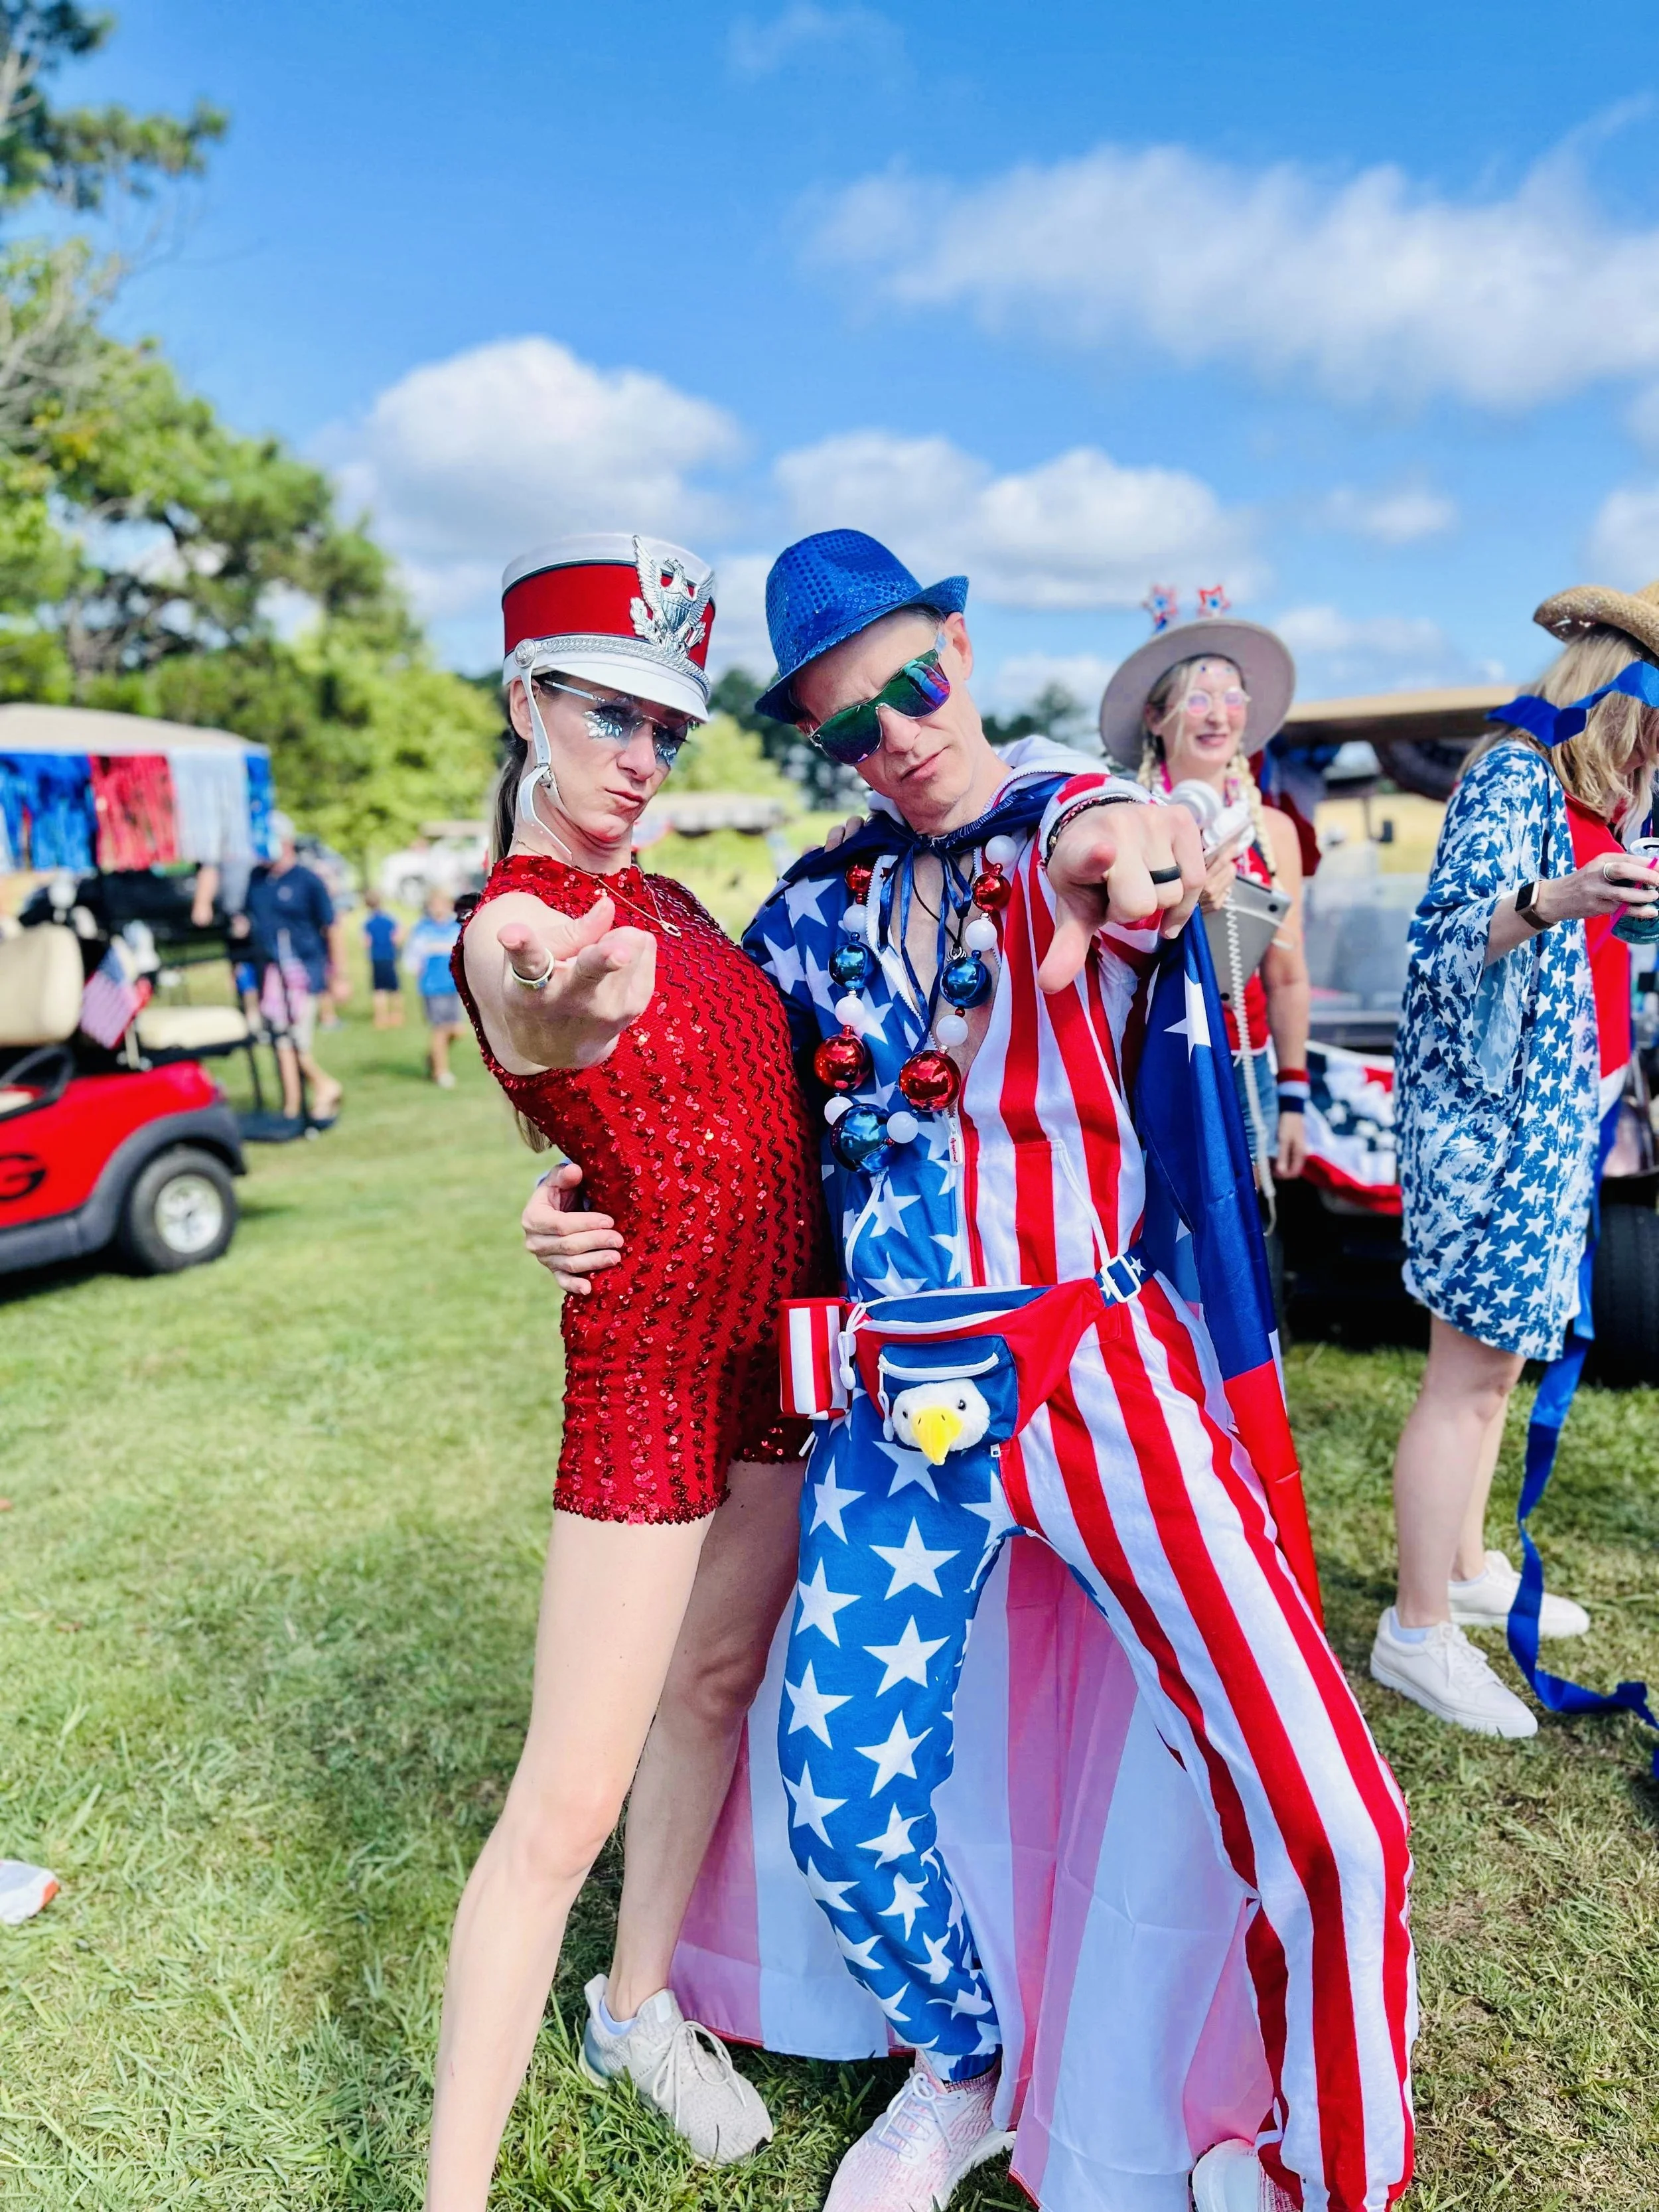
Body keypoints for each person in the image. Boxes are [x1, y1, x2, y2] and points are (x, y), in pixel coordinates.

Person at [531, 532, 1415, 2212]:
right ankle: (961, 2056)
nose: (897, 737)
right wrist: (570, 1178)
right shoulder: (816, 907)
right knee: (840, 1791)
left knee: (1322, 1797)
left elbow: (1127, 837)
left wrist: (1143, 841)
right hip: (892, 1407)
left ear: (960, 640)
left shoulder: (1062, 821)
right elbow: (688, 1085)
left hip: (1099, 1369)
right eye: (848, 725)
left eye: (915, 684)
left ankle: (1328, 2170)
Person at [425, 534, 835, 2210]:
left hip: (782, 1350)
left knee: (713, 1687)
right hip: (653, 1362)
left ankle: (634, 2005)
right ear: (525, 697)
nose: (641, 758)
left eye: (665, 728)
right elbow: (532, 1002)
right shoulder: (519, 918)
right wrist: (558, 1008)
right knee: (565, 1800)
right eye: (610, 715)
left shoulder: (676, 900)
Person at [1376, 579, 1659, 1737]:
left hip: (1550, 1111)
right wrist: (1563, 895)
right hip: (1489, 1122)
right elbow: (1449, 936)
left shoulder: (1599, 796)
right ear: (1624, 693)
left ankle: (1462, 1564)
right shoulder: (1515, 772)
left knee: (1496, 1368)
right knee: (1467, 1374)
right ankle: (1415, 1629)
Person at [1100, 613, 1309, 1183]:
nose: (1219, 715)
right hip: (1147, 1066)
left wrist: (1293, 1095)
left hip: (1247, 1070)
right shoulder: (1123, 818)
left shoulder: (1272, 830)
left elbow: (1288, 977)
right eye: (1198, 700)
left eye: (1232, 697)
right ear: (1155, 717)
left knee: (1245, 1228)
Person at [239, 811, 344, 1123]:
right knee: (281, 1041)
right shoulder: (257, 880)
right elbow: (250, 920)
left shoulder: (307, 880)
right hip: (271, 974)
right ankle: (298, 1103)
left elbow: (331, 927)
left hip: (303, 971)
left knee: (291, 1041)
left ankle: (307, 1098)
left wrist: (339, 975)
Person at [403, 889, 463, 1085]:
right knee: (440, 1029)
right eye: (434, 905)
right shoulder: (422, 930)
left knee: (456, 1030)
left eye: (442, 905)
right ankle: (440, 1072)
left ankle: (433, 1056)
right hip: (433, 987)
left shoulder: (456, 929)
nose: (438, 909)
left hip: (453, 986)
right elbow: (412, 959)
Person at [363, 889, 403, 1027]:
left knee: (378, 989)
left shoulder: (368, 922)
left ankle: (381, 1017)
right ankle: (397, 1016)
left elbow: (366, 942)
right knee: (394, 988)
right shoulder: (390, 919)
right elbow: (397, 938)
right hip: (390, 956)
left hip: (376, 958)